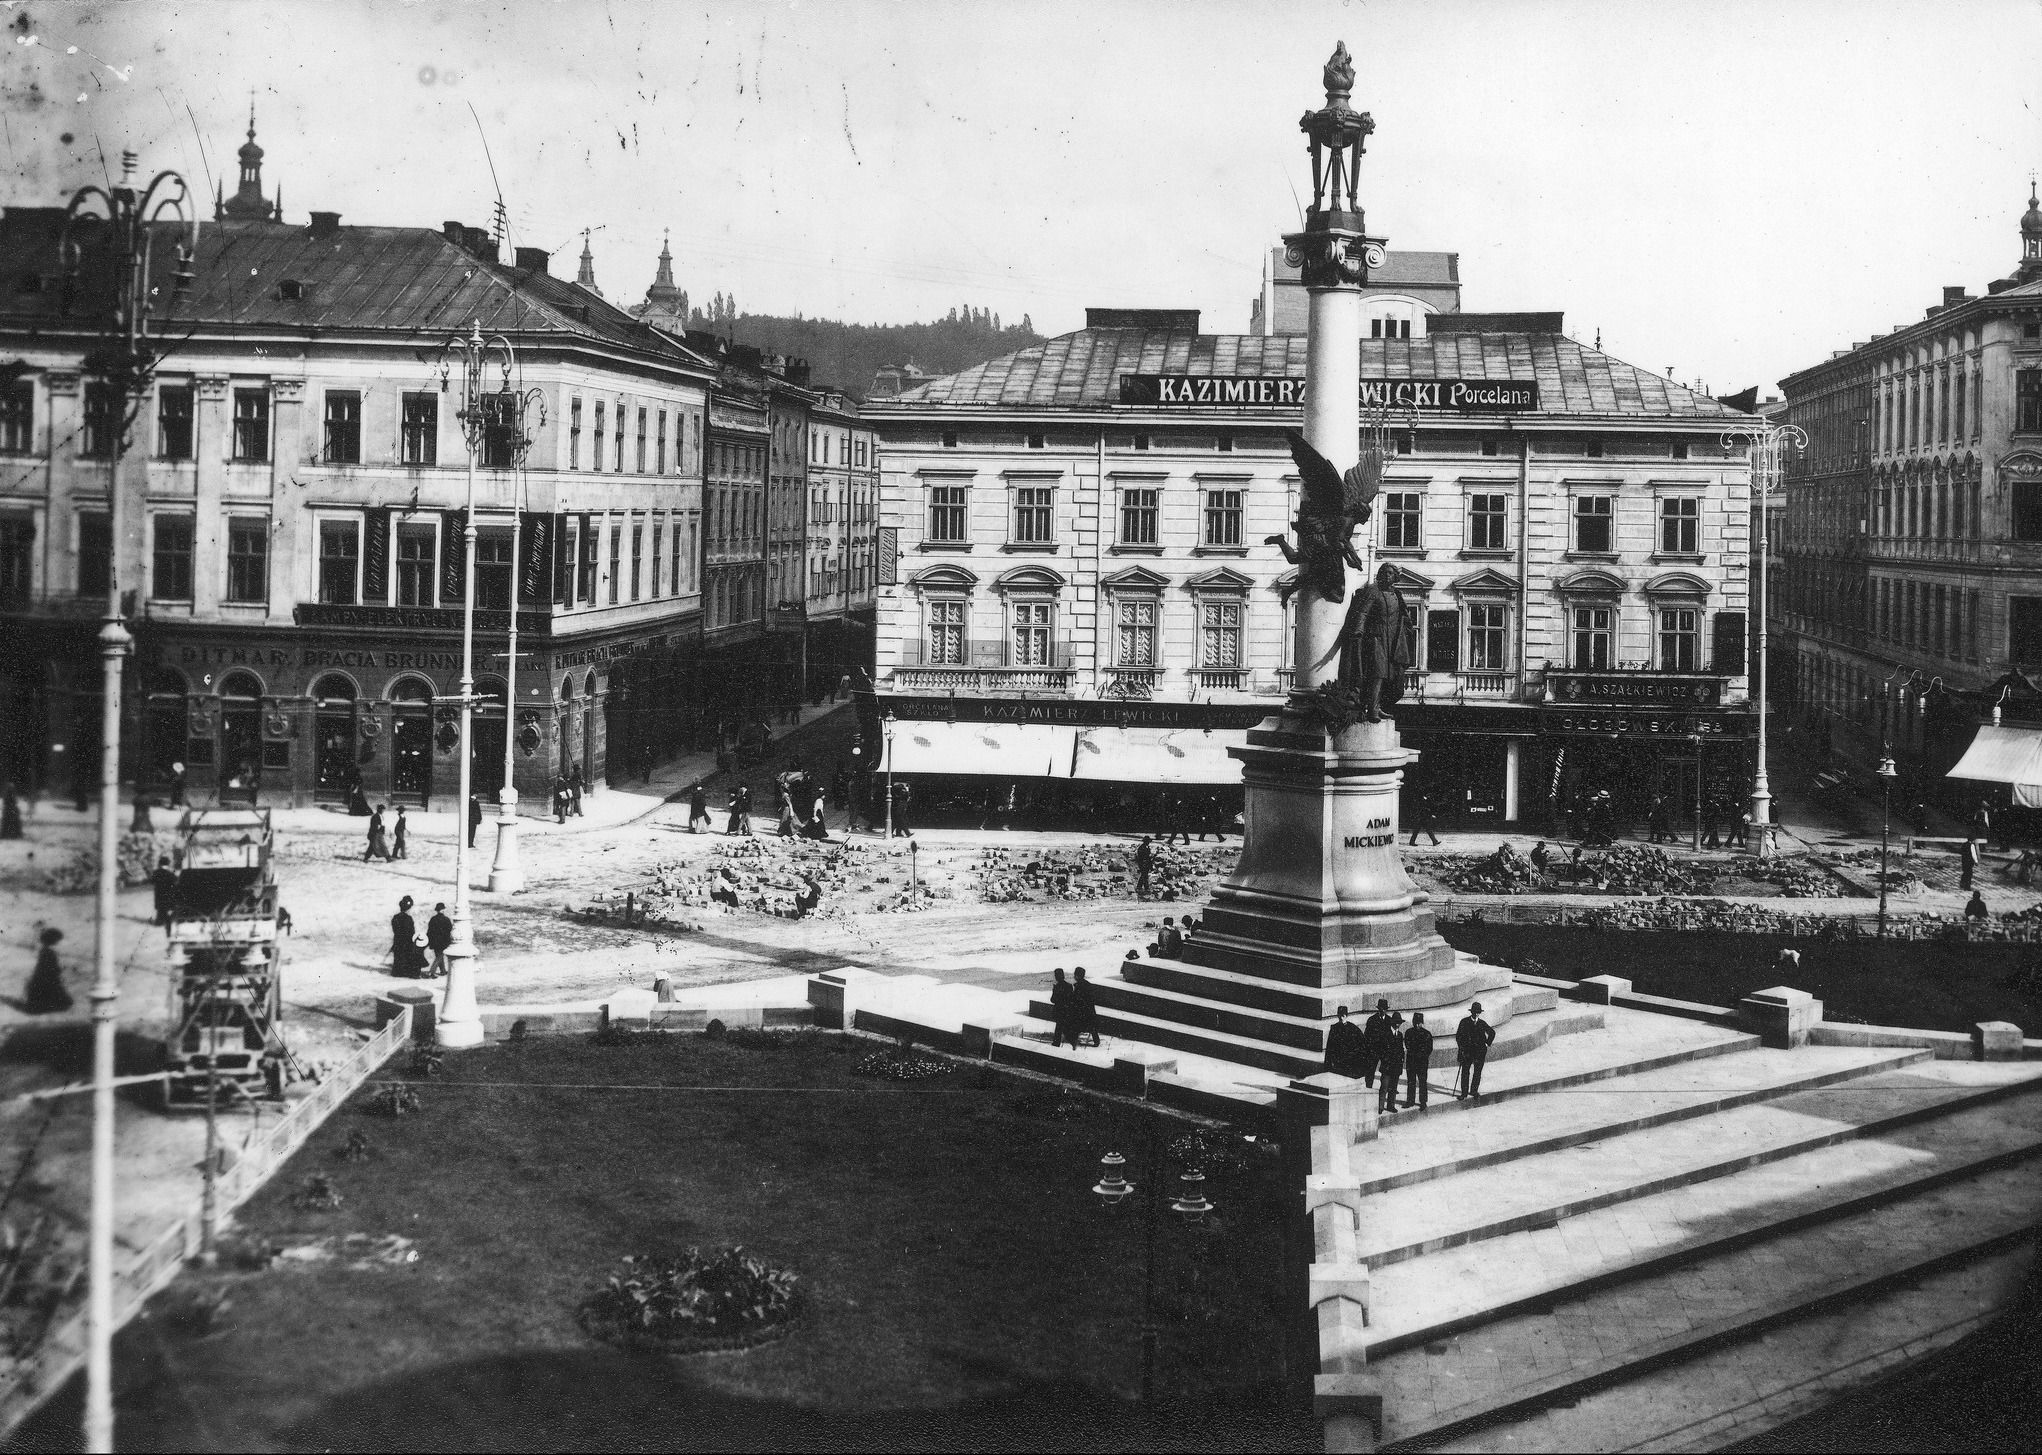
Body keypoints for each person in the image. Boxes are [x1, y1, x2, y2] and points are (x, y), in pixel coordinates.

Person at [23, 928, 71, 1014]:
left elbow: (42, 965)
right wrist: (58, 970)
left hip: (42, 975)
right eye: (57, 940)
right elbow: (51, 966)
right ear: (53, 941)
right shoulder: (50, 952)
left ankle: (40, 1007)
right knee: (51, 991)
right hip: (48, 976)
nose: (58, 942)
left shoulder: (44, 950)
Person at [1455, 1002, 1495, 1099]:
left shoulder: (1482, 1023)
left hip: (1479, 1052)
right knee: (1465, 1072)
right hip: (1467, 1052)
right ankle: (1464, 1093)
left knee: (1477, 1072)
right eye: (1475, 1012)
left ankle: (1474, 1091)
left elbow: (1492, 1033)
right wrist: (1462, 1047)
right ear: (1472, 1012)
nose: (1477, 1014)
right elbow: (1458, 1036)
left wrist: (1487, 1043)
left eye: (1478, 1012)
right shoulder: (1464, 1022)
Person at [1324, 1005, 1368, 1078]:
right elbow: (1329, 1047)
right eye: (1339, 1015)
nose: (1341, 1018)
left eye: (1343, 1015)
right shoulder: (1334, 1028)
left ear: (1346, 1016)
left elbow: (1361, 1044)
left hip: (1349, 1061)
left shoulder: (1353, 1028)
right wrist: (1327, 1064)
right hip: (1337, 1061)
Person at [1360, 998, 1394, 1089]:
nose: (1382, 1010)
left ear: (1386, 1009)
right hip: (1374, 1050)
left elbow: (1391, 1036)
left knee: (1386, 1070)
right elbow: (1366, 1035)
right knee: (1370, 1070)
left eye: (1384, 1009)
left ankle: (1388, 1087)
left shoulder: (1389, 1020)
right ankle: (1368, 1086)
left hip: (1384, 1050)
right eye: (1381, 1008)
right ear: (1378, 1009)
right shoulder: (1372, 1019)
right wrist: (1369, 1049)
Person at [1376, 1012, 1406, 1115]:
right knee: (1384, 1087)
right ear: (1392, 1022)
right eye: (1396, 1022)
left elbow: (1401, 1050)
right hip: (1387, 1066)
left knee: (1393, 1088)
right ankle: (1380, 1106)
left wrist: (1401, 1061)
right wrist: (1386, 1060)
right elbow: (1381, 1049)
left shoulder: (1400, 1035)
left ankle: (1391, 1105)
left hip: (1396, 1066)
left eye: (1399, 1023)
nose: (1398, 1025)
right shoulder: (1385, 1033)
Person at [1404, 1010, 1434, 1110]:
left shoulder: (1427, 1034)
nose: (1417, 1025)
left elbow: (1429, 1049)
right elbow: (1408, 1045)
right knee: (1411, 1082)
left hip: (1422, 1063)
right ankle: (1410, 1101)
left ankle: (1423, 1102)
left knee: (1422, 1082)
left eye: (1419, 1023)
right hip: (1411, 1062)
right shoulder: (1408, 1033)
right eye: (1415, 1023)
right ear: (1413, 1022)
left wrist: (1421, 1055)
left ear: (1422, 1023)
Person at [1069, 966, 1101, 1048]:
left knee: (1076, 1025)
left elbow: (1076, 998)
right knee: (1092, 1027)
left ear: (1077, 976)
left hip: (1081, 1010)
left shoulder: (1078, 986)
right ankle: (1096, 1041)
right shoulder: (1088, 985)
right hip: (1089, 1010)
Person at [391, 896, 421, 978]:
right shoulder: (408, 918)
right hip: (407, 941)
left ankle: (397, 972)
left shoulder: (395, 917)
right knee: (408, 956)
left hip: (398, 940)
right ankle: (407, 972)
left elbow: (395, 929)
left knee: (399, 956)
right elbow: (411, 932)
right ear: (408, 908)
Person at [1049, 967, 1078, 1049]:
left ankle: (1057, 1042)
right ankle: (1070, 1041)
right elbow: (1071, 999)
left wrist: (1054, 990)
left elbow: (1053, 1000)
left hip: (1059, 1011)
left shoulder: (1057, 987)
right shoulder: (1069, 986)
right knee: (1063, 1027)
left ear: (1056, 977)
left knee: (1059, 1027)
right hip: (1067, 1010)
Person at [426, 902, 453, 977]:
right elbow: (449, 929)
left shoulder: (433, 919)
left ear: (437, 910)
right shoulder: (446, 919)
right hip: (443, 941)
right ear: (443, 910)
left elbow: (429, 931)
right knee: (439, 956)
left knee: (438, 955)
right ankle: (431, 971)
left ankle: (443, 971)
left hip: (434, 941)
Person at [152, 855, 178, 930]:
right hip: (168, 895)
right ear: (168, 864)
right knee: (171, 909)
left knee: (161, 909)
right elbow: (175, 880)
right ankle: (169, 920)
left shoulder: (156, 873)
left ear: (159, 864)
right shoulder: (170, 873)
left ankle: (160, 921)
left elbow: (152, 881)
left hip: (159, 895)